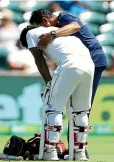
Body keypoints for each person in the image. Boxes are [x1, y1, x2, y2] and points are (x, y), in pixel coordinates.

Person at [29, 9, 107, 159]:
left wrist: (51, 34)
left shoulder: (64, 17)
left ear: (46, 21)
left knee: (79, 108)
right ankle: (76, 150)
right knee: (78, 108)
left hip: (93, 60)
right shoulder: (58, 25)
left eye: (41, 27)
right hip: (86, 62)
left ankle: (77, 150)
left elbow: (75, 26)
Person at [20, 25, 94, 161]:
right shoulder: (61, 30)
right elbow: (77, 26)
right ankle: (80, 153)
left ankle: (50, 151)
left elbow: (39, 59)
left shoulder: (30, 33)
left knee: (54, 107)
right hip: (89, 65)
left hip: (69, 63)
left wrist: (49, 83)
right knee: (81, 111)